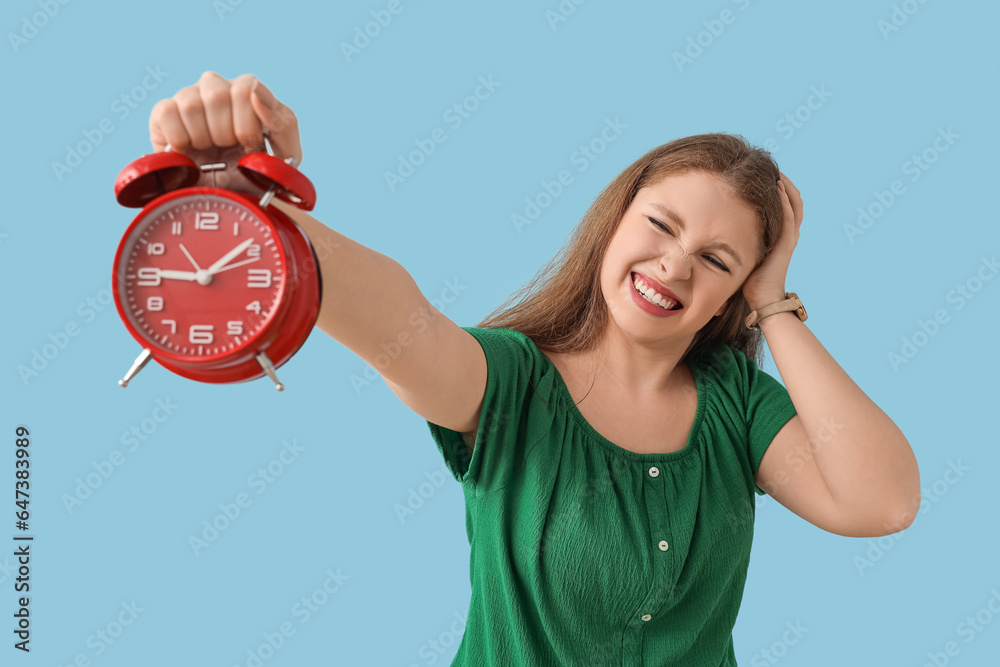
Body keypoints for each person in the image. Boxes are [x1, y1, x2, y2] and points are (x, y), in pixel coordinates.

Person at [149, 71, 921, 666]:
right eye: (660, 223)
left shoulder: (739, 409)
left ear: (731, 294)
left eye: (717, 259)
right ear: (614, 218)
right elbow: (399, 318)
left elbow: (882, 501)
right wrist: (253, 211)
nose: (675, 265)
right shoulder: (512, 383)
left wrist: (773, 300)